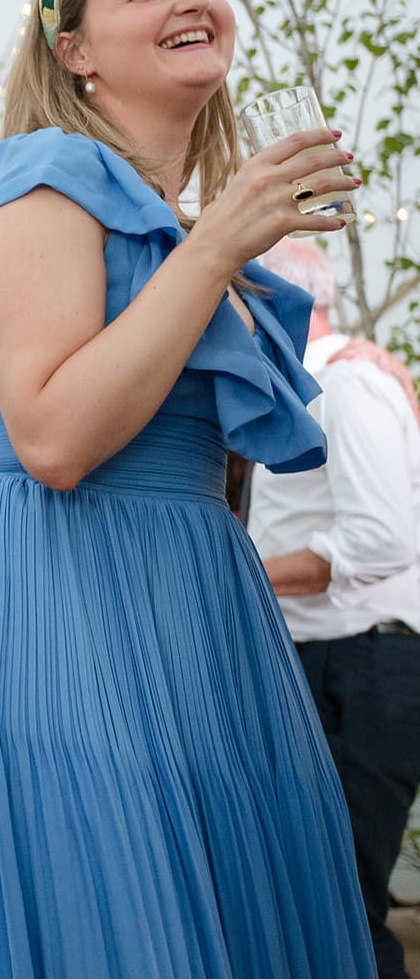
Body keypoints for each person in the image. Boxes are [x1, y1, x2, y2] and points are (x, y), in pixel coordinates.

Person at [0, 0, 374, 976]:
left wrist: (217, 242)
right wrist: (222, 240)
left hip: (199, 606)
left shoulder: (197, 233)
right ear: (76, 53)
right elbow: (53, 439)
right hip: (61, 591)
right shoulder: (42, 174)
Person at [248, 239, 420, 979]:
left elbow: (382, 538)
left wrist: (239, 574)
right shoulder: (305, 386)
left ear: (272, 302)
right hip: (326, 662)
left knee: (344, 910)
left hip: (362, 665)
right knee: (314, 904)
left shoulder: (347, 386)